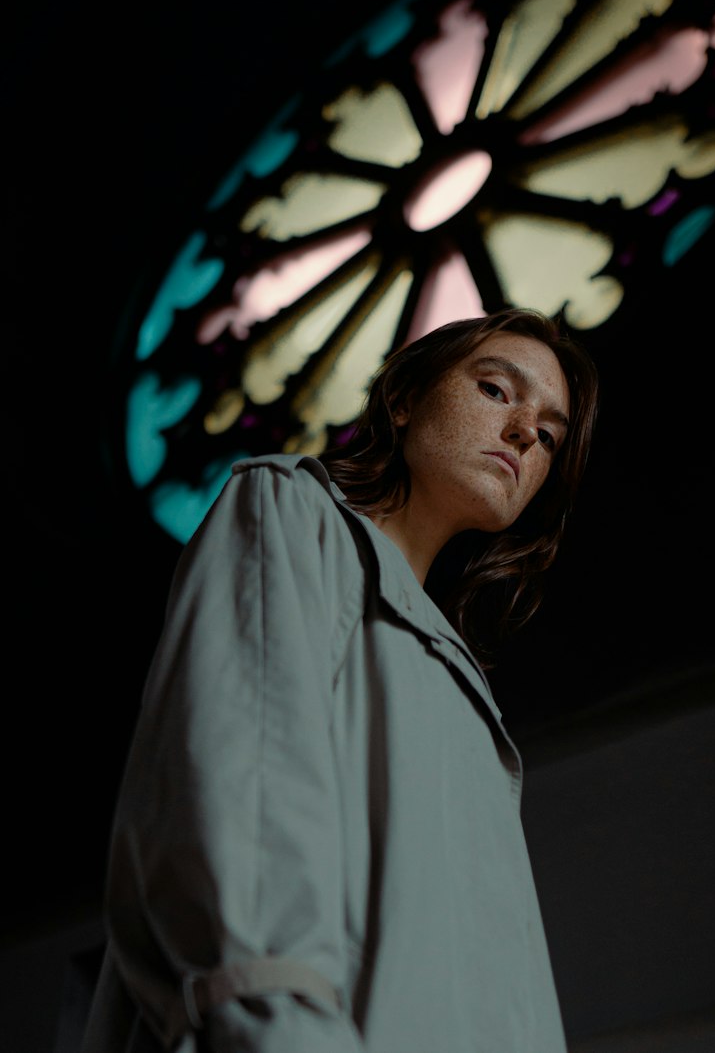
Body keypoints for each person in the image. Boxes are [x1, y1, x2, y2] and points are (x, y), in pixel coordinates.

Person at [81, 306, 600, 1053]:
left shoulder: (464, 680)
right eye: (495, 390)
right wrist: (275, 1020)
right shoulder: (292, 512)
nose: (525, 431)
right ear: (403, 399)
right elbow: (237, 791)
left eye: (549, 435)